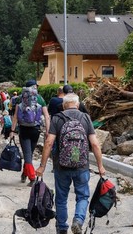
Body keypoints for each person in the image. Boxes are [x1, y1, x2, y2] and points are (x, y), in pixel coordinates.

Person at [36, 93, 106, 234]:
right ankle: (78, 221)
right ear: (78, 105)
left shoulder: (57, 118)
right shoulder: (86, 118)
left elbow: (49, 142)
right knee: (83, 196)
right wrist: (100, 166)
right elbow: (95, 144)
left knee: (61, 198)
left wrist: (42, 166)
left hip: (61, 166)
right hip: (81, 166)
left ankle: (62, 228)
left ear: (63, 105)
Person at [10, 79, 50, 186]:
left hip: (23, 130)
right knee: (29, 154)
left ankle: (32, 178)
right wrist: (48, 131)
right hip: (35, 130)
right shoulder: (40, 99)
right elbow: (46, 116)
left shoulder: (20, 98)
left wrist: (12, 131)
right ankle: (24, 174)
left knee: (27, 155)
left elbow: (15, 117)